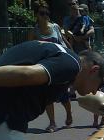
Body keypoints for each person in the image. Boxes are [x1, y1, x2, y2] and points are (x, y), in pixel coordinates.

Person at [29, 1, 73, 132]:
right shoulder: (34, 31)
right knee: (48, 96)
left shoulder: (55, 27)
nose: (45, 16)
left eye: (47, 13)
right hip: (45, 67)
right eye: (42, 13)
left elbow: (64, 42)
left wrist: (73, 55)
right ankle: (52, 123)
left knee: (63, 94)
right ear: (36, 15)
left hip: (59, 64)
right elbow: (30, 50)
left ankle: (69, 113)